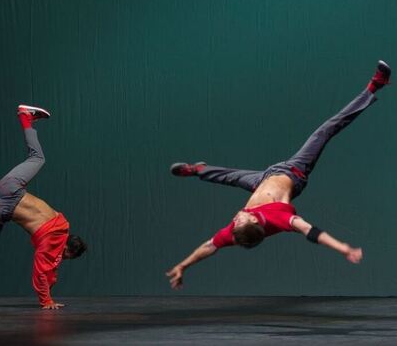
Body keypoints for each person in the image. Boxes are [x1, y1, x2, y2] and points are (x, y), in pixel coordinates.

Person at [166, 60, 391, 289]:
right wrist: (343, 248)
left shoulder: (237, 231)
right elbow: (310, 231)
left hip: (262, 179)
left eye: (235, 223)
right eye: (240, 220)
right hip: (294, 172)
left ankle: (199, 170)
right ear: (253, 220)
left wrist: (183, 266)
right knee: (326, 130)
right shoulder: (279, 219)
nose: (236, 218)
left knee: (230, 177)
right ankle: (375, 86)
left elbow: (208, 247)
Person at [0, 104, 87, 310]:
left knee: (37, 158)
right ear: (67, 250)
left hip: (9, 192)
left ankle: (26, 119)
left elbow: (49, 268)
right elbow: (43, 269)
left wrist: (49, 290)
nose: (61, 260)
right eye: (66, 257)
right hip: (5, 204)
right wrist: (46, 301)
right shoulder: (55, 240)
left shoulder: (59, 227)